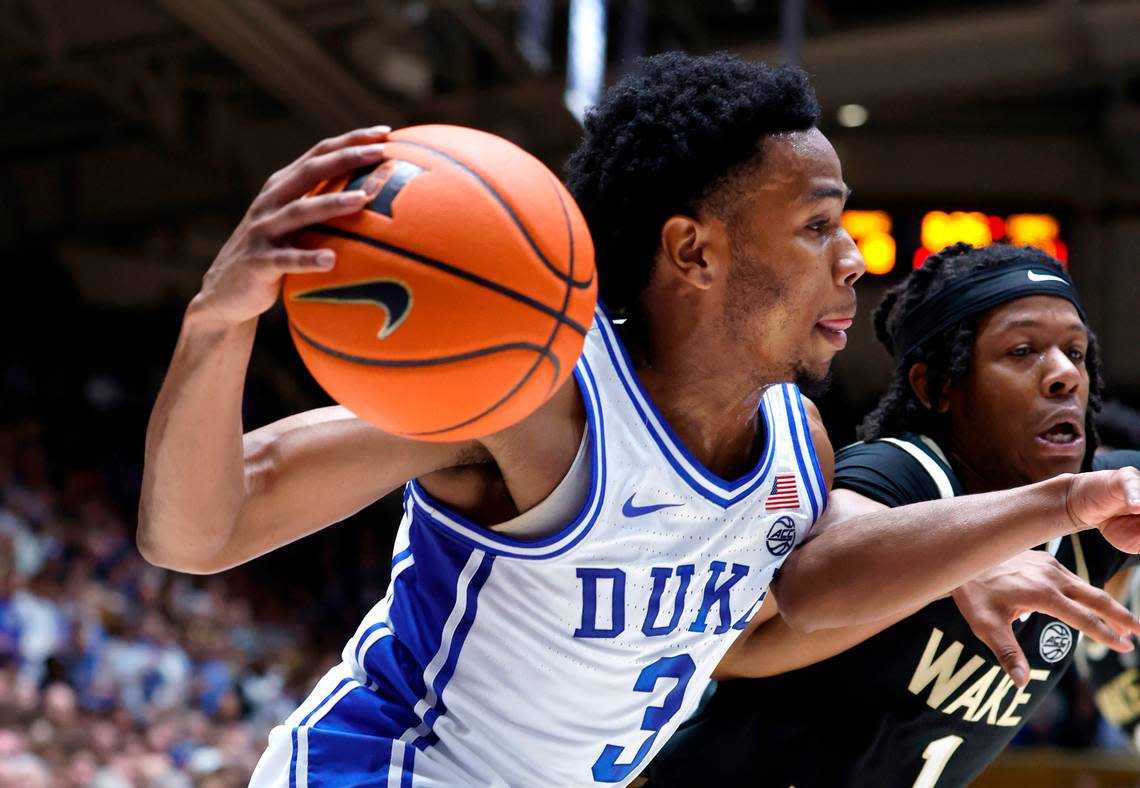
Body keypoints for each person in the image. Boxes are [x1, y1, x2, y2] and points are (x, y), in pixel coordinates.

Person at [138, 52, 1140, 787]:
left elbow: (779, 611)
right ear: (693, 251)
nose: (853, 259)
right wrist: (215, 325)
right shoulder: (542, 396)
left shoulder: (797, 442)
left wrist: (1011, 526)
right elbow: (201, 528)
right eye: (816, 225)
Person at [647, 242, 1140, 788]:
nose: (1063, 376)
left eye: (1075, 353)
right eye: (1022, 352)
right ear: (936, 387)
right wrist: (963, 564)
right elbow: (808, 579)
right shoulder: (906, 473)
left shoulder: (1102, 504)